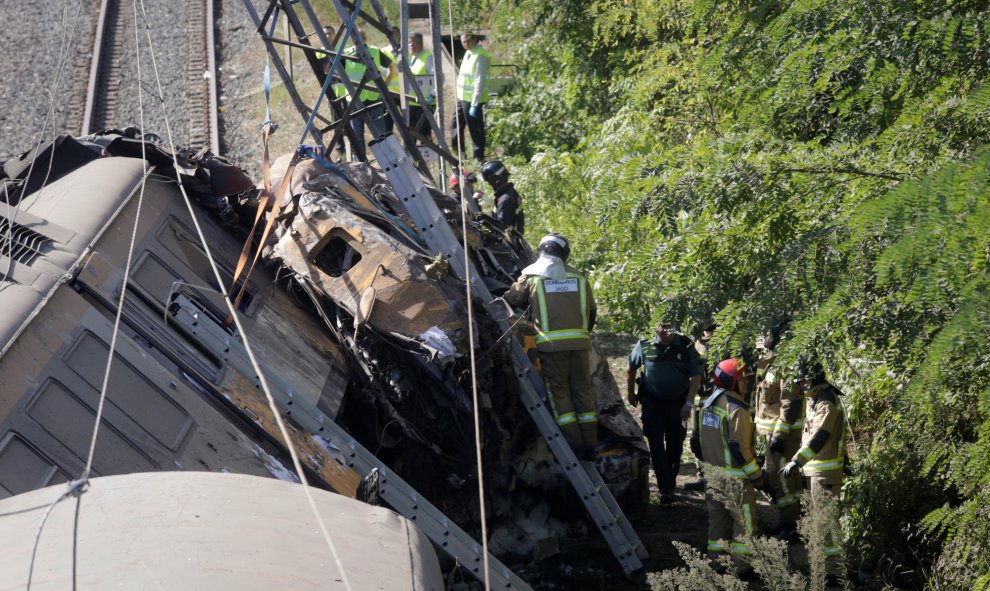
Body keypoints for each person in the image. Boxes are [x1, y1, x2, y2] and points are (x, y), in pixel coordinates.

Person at [504, 234, 598, 459]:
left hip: (551, 346)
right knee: (583, 392)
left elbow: (512, 299)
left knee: (560, 394)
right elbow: (592, 312)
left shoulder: (533, 275)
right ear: (565, 254)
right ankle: (590, 443)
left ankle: (575, 445)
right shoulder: (579, 277)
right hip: (580, 344)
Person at [697, 358, 775, 569]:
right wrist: (756, 475)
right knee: (746, 523)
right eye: (742, 380)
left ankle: (717, 565)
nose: (746, 384)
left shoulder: (707, 405)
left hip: (712, 475)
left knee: (718, 522)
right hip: (735, 480)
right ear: (730, 382)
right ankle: (743, 568)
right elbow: (738, 448)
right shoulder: (737, 409)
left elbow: (696, 442)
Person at [781, 358, 846, 589]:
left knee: (828, 524)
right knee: (820, 523)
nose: (802, 384)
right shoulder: (817, 398)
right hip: (817, 472)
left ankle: (835, 575)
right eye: (800, 380)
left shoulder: (826, 400)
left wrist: (796, 461)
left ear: (816, 377)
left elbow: (820, 436)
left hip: (824, 473)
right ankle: (826, 571)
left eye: (805, 379)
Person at [627, 319, 702, 504]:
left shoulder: (686, 345)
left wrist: (689, 403)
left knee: (675, 446)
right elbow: (631, 368)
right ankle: (665, 489)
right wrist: (630, 394)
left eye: (669, 327)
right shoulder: (644, 344)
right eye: (662, 326)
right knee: (655, 444)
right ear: (656, 327)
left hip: (678, 406)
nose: (665, 331)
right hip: (652, 405)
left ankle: (670, 481)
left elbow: (696, 376)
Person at [754, 321, 804, 538]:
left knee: (782, 478)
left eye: (765, 333)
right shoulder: (771, 362)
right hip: (770, 434)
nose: (761, 337)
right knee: (776, 478)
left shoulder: (787, 365)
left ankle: (793, 527)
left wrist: (780, 436)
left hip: (781, 435)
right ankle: (787, 522)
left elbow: (790, 403)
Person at [334, 28, 394, 161]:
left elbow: (392, 67)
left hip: (374, 99)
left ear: (365, 38)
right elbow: (334, 71)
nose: (358, 39)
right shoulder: (345, 54)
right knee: (357, 135)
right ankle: (361, 162)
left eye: (360, 36)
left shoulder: (374, 51)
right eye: (355, 37)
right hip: (354, 101)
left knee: (380, 134)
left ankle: (386, 161)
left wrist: (385, 86)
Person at [451, 31, 490, 161]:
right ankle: (459, 153)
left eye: (468, 40)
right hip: (462, 97)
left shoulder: (480, 56)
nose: (465, 44)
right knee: (456, 125)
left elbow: (480, 81)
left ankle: (478, 157)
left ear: (474, 39)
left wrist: (475, 104)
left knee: (475, 129)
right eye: (463, 41)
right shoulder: (469, 53)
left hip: (473, 99)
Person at [406, 32, 436, 140]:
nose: (411, 45)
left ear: (421, 42)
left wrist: (433, 94)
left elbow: (438, 78)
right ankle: (413, 156)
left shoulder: (428, 57)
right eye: (409, 42)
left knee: (424, 135)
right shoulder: (409, 57)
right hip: (411, 101)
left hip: (424, 103)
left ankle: (429, 156)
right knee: (410, 134)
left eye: (413, 42)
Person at [480, 160, 523, 233]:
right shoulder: (511, 192)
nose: (489, 184)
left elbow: (501, 231)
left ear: (494, 180)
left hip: (508, 242)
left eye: (489, 182)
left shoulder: (504, 200)